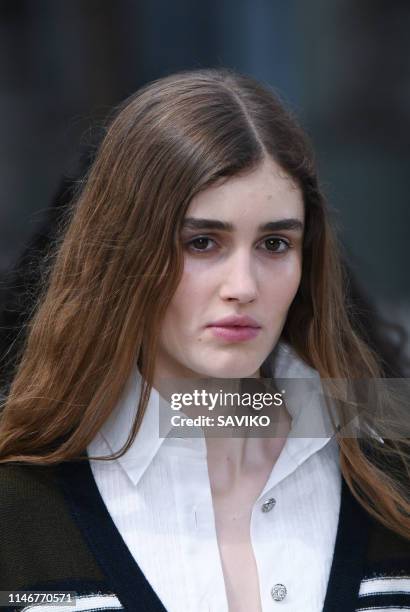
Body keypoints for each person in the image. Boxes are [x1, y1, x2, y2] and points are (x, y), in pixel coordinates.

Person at [0, 68, 409, 612]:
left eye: (274, 243)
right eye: (201, 242)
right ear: (122, 254)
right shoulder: (21, 508)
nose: (242, 287)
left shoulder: (392, 474)